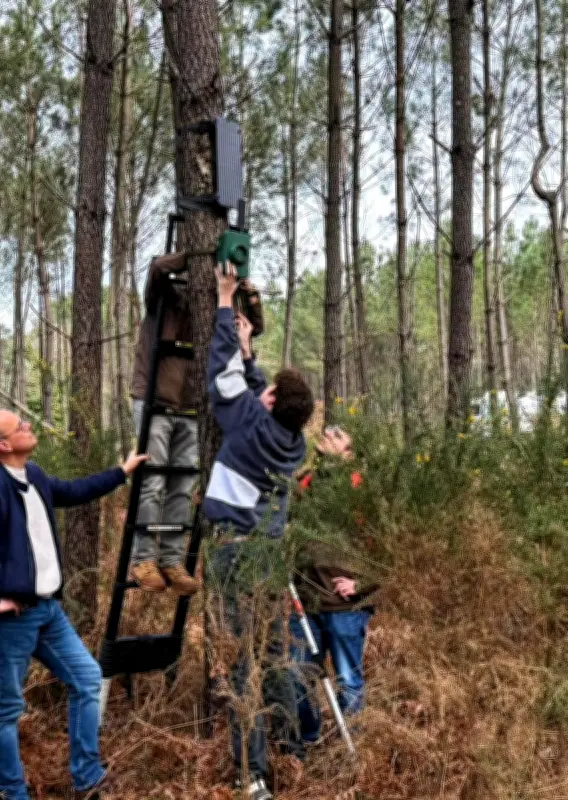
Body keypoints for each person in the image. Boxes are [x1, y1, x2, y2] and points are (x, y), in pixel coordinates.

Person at [0, 410, 147, 800]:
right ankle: (13, 792)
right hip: (11, 619)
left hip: (48, 611)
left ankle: (87, 778)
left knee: (87, 679)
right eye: (20, 426)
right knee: (6, 709)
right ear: (3, 445)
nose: (29, 427)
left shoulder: (32, 475)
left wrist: (121, 472)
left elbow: (70, 492)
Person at [203, 263, 315, 800]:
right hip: (269, 557)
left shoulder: (249, 420)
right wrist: (251, 357)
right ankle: (296, 744)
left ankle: (254, 774)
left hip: (233, 554)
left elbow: (220, 383)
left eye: (267, 390)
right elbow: (251, 393)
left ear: (269, 404)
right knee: (274, 654)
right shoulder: (292, 445)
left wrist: (225, 305)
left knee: (241, 658)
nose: (262, 390)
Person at [130, 252, 264, 595]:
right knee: (153, 480)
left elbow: (252, 329)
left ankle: (172, 561)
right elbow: (159, 267)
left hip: (190, 406)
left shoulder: (215, 306)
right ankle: (143, 558)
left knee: (182, 486)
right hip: (155, 400)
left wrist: (247, 292)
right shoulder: (164, 294)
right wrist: (200, 253)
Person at [290, 427, 380, 752]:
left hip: (345, 607)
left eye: (340, 436)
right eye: (329, 432)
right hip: (304, 604)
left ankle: (350, 751)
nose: (329, 435)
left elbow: (389, 548)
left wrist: (362, 584)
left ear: (351, 454)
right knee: (297, 676)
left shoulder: (360, 489)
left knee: (348, 681)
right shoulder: (305, 483)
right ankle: (307, 743)